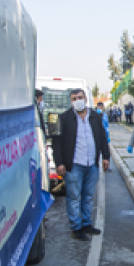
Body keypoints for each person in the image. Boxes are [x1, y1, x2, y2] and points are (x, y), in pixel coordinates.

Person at [52, 89, 110, 241]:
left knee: (89, 196)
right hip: (74, 165)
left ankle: (86, 223)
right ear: (70, 101)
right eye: (74, 98)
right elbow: (56, 142)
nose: (77, 100)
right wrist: (59, 162)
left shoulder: (95, 117)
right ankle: (75, 227)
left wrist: (106, 157)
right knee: (73, 197)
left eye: (80, 97)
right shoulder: (64, 118)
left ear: (85, 99)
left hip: (92, 164)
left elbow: (103, 138)